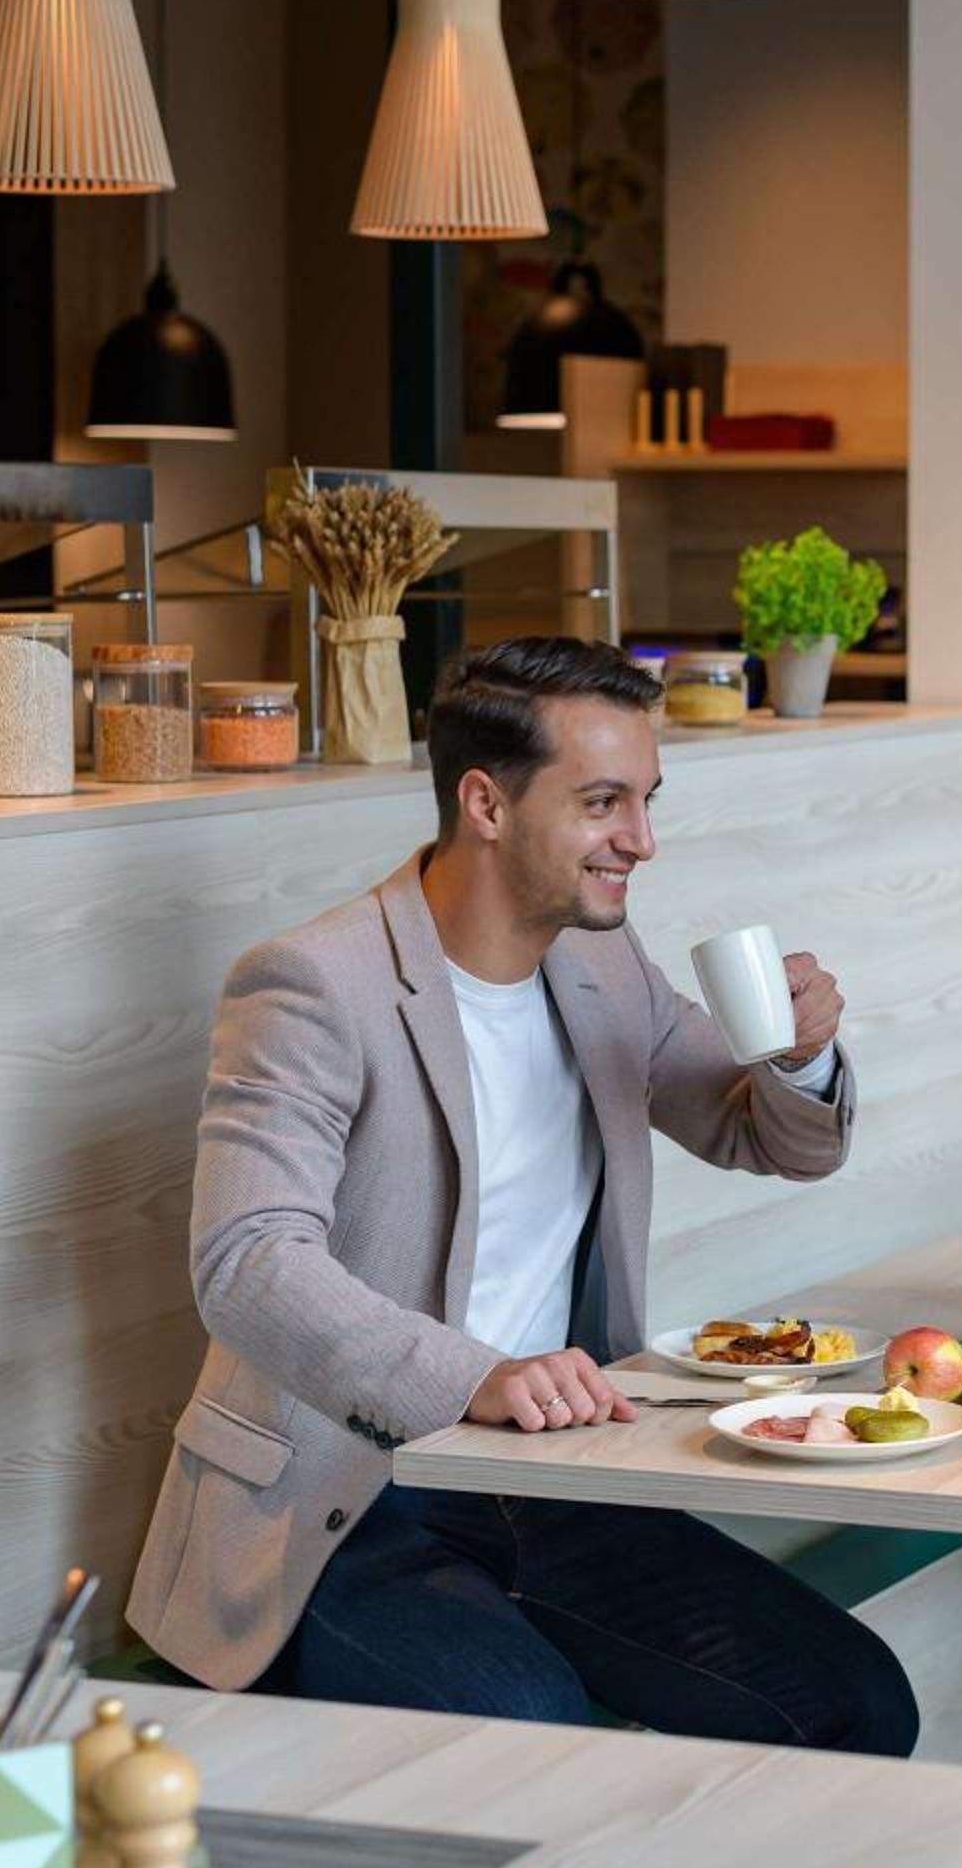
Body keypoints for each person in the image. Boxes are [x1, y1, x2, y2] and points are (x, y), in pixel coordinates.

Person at [125, 636, 917, 1757]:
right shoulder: (313, 983)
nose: (640, 839)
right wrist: (475, 1377)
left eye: (644, 800)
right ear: (486, 803)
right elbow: (248, 1262)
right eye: (602, 803)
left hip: (554, 1481)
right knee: (528, 1731)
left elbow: (764, 1135)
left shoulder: (604, 968)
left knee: (857, 1699)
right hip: (352, 1505)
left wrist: (801, 1054)